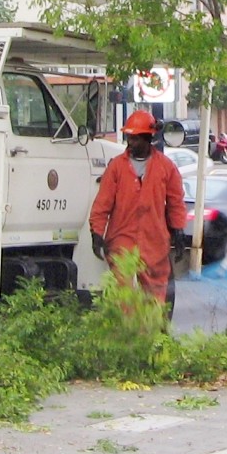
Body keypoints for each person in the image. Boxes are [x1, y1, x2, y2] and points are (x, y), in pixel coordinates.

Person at [88, 109, 187, 316]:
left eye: (135, 138)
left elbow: (176, 202)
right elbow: (102, 204)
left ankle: (150, 336)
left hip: (154, 240)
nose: (130, 143)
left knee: (155, 295)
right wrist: (97, 234)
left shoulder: (166, 167)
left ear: (148, 138)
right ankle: (129, 335)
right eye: (129, 138)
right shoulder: (116, 167)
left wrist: (178, 230)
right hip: (122, 238)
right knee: (124, 293)